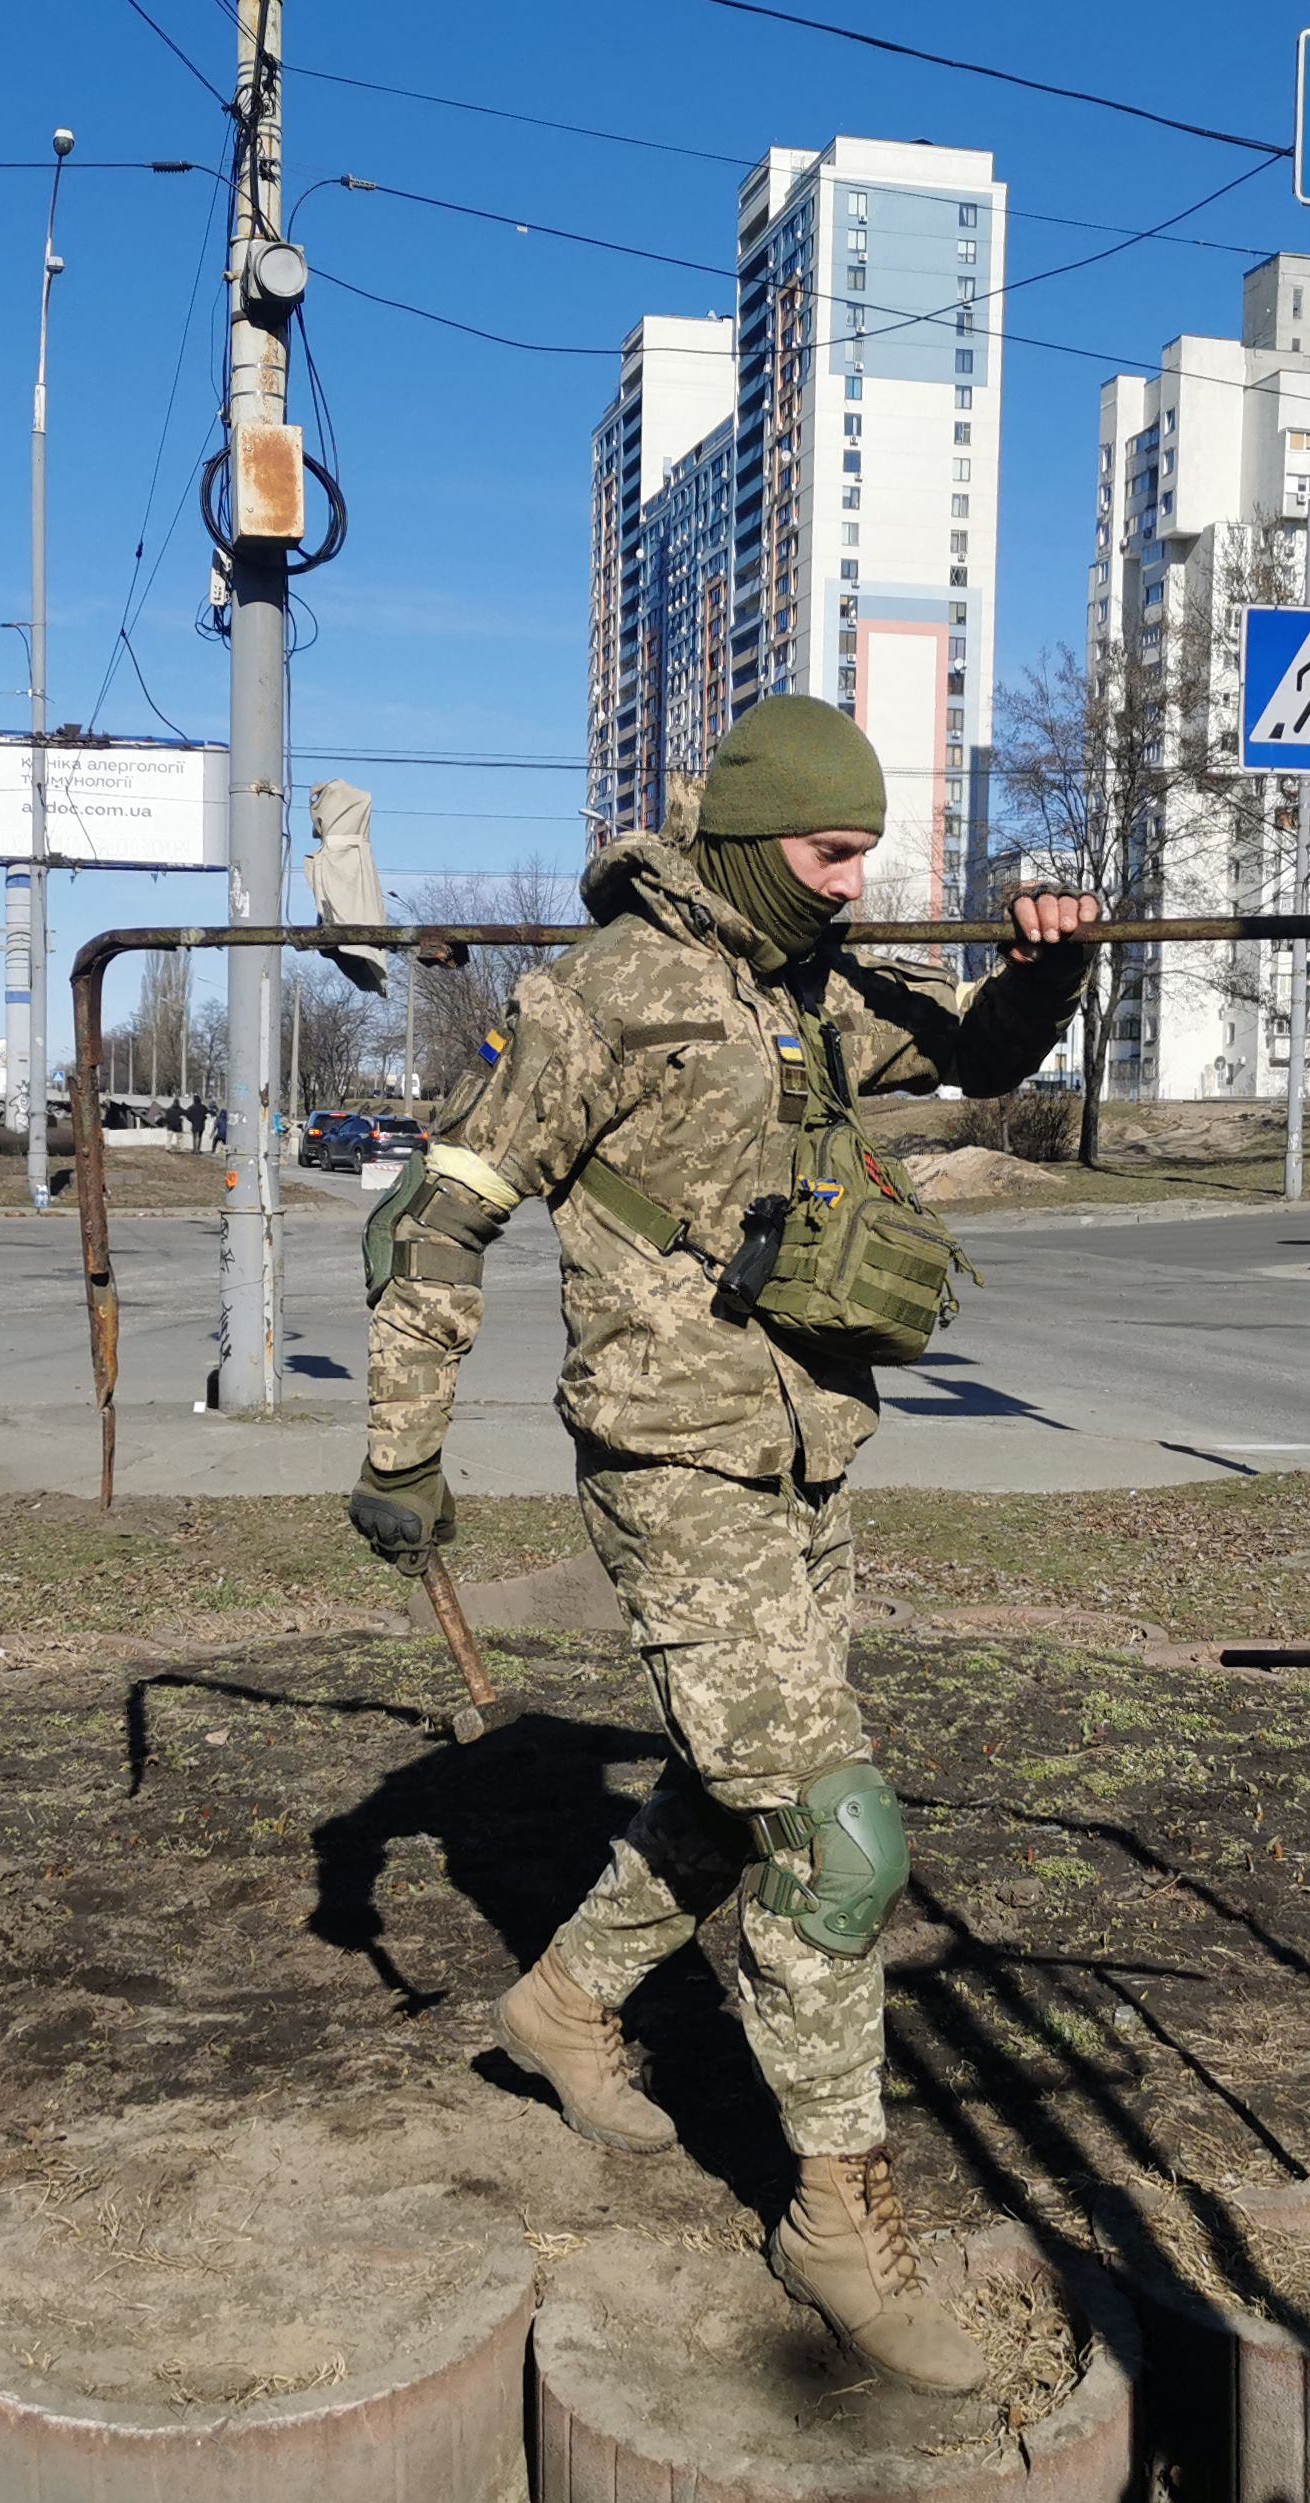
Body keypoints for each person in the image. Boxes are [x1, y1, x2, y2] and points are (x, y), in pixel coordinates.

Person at [346, 695, 1099, 2392]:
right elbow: (440, 1206)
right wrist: (402, 1448)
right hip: (671, 1458)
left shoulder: (803, 986)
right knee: (833, 1839)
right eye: (833, 853)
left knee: (725, 1778)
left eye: (868, 859)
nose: (855, 886)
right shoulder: (601, 993)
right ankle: (836, 2225)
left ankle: (555, 2005)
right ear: (760, 837)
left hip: (804, 1449)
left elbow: (975, 1060)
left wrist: (1048, 967)